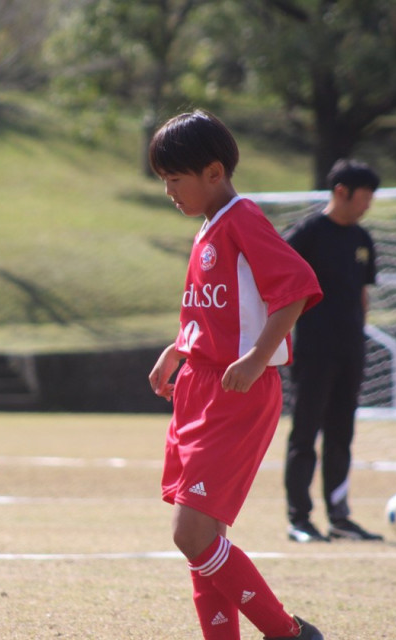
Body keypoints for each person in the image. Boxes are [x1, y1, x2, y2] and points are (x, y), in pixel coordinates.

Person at [147, 111, 325, 640]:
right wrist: (176, 349)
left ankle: (289, 634)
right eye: (163, 182)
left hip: (236, 391)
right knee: (206, 537)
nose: (169, 192)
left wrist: (256, 356)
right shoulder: (209, 227)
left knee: (193, 532)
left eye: (174, 180)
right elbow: (212, 311)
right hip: (198, 387)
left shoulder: (243, 218)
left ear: (214, 172)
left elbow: (294, 288)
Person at [283, 159, 383, 543]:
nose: (368, 204)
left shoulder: (362, 240)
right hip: (313, 350)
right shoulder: (309, 233)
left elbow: (362, 293)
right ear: (341, 192)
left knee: (342, 433)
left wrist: (359, 335)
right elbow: (279, 277)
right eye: (365, 196)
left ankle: (340, 516)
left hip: (350, 350)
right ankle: (299, 519)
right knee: (305, 432)